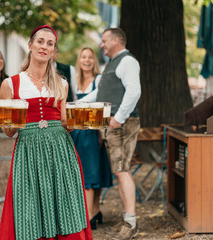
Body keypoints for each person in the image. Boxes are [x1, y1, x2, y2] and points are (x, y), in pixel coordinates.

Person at [0, 25, 93, 240]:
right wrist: (14, 120)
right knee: (30, 204)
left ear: (53, 51)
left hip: (60, 151)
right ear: (30, 45)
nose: (44, 46)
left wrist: (82, 121)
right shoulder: (10, 84)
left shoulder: (62, 83)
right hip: (29, 150)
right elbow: (8, 132)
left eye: (50, 44)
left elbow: (64, 122)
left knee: (64, 202)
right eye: (40, 41)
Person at [80, 27, 141, 240]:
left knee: (122, 170)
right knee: (119, 171)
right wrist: (76, 104)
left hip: (121, 124)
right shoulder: (111, 64)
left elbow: (134, 91)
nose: (102, 44)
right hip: (113, 124)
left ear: (116, 40)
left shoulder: (128, 62)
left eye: (105, 40)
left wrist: (119, 118)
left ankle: (131, 223)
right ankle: (128, 221)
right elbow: (100, 93)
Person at [70, 47, 112, 230]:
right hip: (76, 131)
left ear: (94, 61)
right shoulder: (74, 81)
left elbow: (103, 106)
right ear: (79, 61)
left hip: (92, 130)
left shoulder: (99, 80)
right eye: (83, 57)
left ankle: (89, 215)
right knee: (84, 172)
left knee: (92, 172)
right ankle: (94, 211)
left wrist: (102, 131)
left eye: (90, 57)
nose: (86, 60)